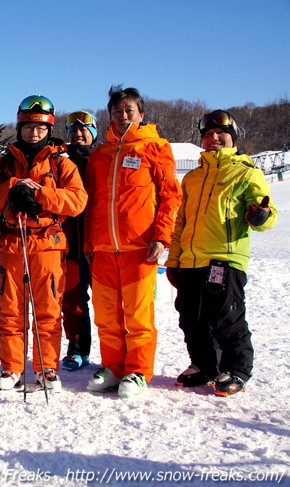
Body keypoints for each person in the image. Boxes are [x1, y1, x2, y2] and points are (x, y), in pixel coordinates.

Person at [166, 110, 277, 397]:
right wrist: (174, 260)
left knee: (226, 316)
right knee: (190, 318)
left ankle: (237, 369)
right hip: (190, 259)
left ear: (232, 138)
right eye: (208, 135)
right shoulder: (192, 178)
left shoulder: (246, 172)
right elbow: (182, 222)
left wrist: (262, 216)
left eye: (220, 134)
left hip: (225, 258)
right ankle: (205, 366)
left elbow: (267, 212)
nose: (214, 139)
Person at [84, 86, 181, 398]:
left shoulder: (155, 148)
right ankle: (113, 367)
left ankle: (138, 370)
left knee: (138, 316)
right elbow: (91, 203)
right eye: (117, 111)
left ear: (141, 114)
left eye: (129, 111)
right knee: (107, 315)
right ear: (109, 115)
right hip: (102, 249)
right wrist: (89, 243)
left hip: (139, 248)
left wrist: (161, 236)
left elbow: (170, 197)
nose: (123, 116)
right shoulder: (99, 155)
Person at [0, 95, 87, 392]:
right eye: (29, 127)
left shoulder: (61, 164)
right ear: (20, 128)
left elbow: (78, 201)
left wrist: (41, 193)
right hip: (13, 243)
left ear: (49, 130)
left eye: (40, 129)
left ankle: (47, 368)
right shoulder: (3, 164)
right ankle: (11, 367)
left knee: (48, 310)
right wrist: (12, 188)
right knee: (12, 311)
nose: (34, 133)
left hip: (48, 245)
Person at [61, 111, 98, 371]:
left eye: (84, 129)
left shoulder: (104, 160)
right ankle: (77, 349)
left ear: (94, 133)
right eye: (73, 130)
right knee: (73, 303)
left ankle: (116, 354)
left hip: (101, 246)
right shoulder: (60, 162)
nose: (78, 134)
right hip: (71, 246)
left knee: (110, 305)